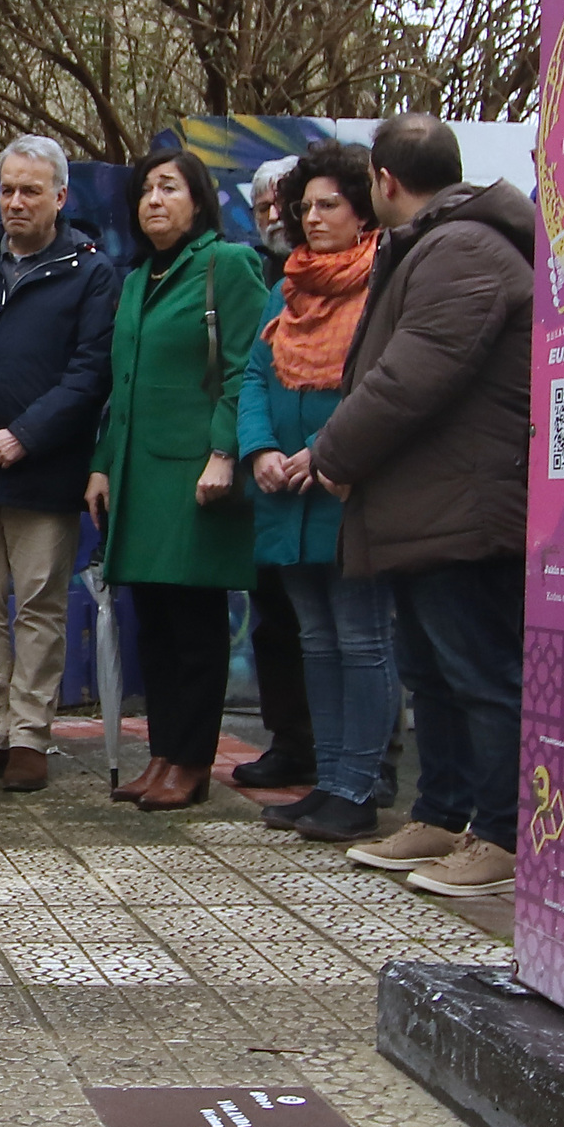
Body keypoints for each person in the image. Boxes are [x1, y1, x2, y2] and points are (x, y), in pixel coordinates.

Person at [311, 114, 533, 899]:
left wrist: (332, 454)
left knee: (480, 671)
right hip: (429, 504)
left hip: (466, 509)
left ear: (384, 181)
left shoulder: (463, 248)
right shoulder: (439, 245)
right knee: (432, 672)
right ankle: (440, 812)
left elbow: (413, 376)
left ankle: (503, 834)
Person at [84, 147, 270, 813]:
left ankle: (191, 762)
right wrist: (104, 463)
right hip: (140, 476)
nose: (153, 200)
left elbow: (248, 367)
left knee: (193, 624)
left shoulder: (228, 265)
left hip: (196, 478)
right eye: (145, 191)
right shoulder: (137, 279)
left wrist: (225, 452)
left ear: (198, 201)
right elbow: (122, 386)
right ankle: (161, 755)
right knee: (154, 625)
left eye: (169, 188)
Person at [0, 134, 115, 794]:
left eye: (30, 190)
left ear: (59, 197)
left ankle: (30, 735)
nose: (15, 201)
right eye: (7, 188)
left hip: (43, 470)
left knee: (39, 606)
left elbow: (90, 374)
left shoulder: (91, 272)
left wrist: (24, 436)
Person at [235, 143, 390, 844]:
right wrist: (261, 448)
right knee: (315, 642)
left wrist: (321, 452)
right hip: (285, 496)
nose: (314, 217)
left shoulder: (385, 280)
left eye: (330, 204)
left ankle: (359, 786)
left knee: (361, 640)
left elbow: (385, 384)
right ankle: (327, 782)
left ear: (363, 207)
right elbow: (253, 376)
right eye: (306, 207)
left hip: (347, 488)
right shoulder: (286, 286)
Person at [233, 155, 316, 791]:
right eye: (262, 207)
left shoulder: (355, 273)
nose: (273, 217)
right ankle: (289, 742)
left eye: (282, 205)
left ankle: (361, 764)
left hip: (326, 475)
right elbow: (250, 375)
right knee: (274, 623)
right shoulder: (249, 275)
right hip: (264, 483)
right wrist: (257, 447)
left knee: (345, 630)